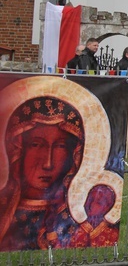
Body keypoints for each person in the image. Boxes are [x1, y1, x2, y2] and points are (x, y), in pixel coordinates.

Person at [0, 97, 113, 250]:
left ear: (75, 154)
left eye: (61, 146)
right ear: (17, 149)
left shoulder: (71, 217)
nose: (48, 163)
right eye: (36, 145)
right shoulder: (4, 210)